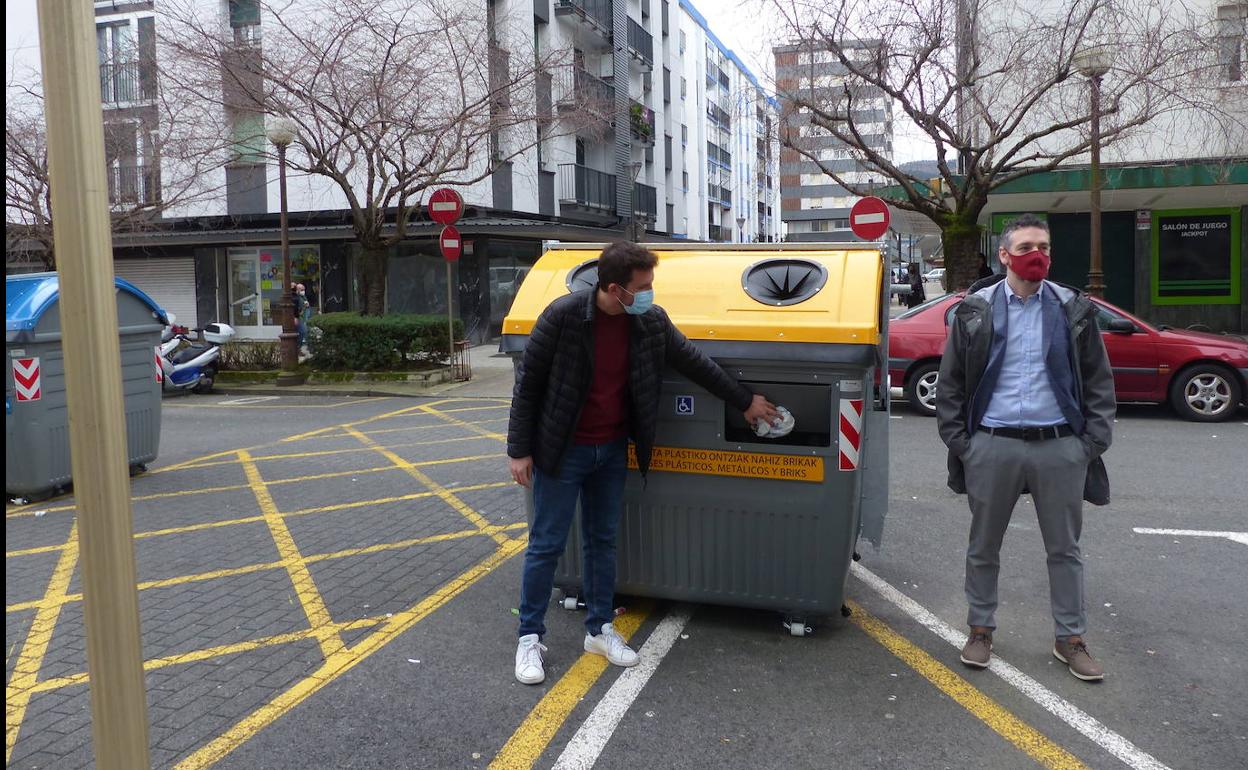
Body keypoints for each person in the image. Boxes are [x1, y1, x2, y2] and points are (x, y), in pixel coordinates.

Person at [507, 241, 779, 685]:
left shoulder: (649, 321)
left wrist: (744, 400)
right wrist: (518, 450)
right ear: (616, 289)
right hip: (563, 449)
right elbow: (528, 386)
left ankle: (598, 630)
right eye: (644, 286)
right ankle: (529, 638)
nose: (651, 292)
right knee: (546, 545)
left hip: (611, 449)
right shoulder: (562, 317)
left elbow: (694, 361)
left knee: (602, 541)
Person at [935, 213, 1115, 682]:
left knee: (1065, 549)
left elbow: (1098, 379)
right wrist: (962, 442)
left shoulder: (1073, 309)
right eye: (1027, 247)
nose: (1038, 255)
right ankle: (980, 629)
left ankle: (1070, 639)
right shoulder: (976, 309)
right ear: (1004, 254)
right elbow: (950, 382)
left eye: (1045, 246)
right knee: (983, 546)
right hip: (991, 445)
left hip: (1060, 445)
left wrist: (1091, 442)